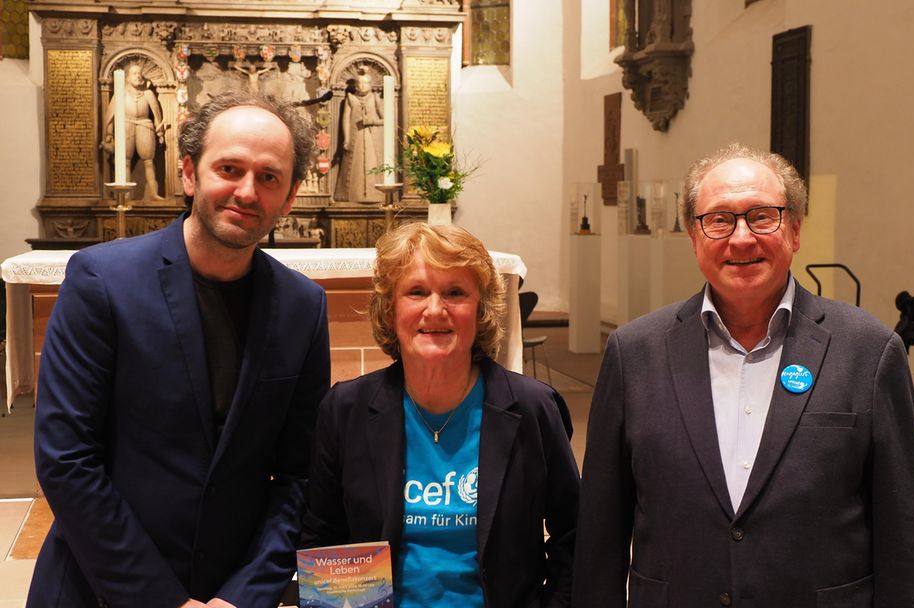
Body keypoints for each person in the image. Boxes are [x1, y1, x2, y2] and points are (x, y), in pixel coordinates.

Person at [573, 143, 914, 607]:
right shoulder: (634, 352)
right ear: (692, 235)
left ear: (796, 230)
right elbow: (601, 530)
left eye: (762, 216)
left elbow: (905, 530)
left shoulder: (868, 349)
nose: (741, 238)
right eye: (719, 219)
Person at [28, 91, 330, 608]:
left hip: (231, 594)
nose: (247, 191)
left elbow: (300, 475)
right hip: (102, 587)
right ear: (189, 174)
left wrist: (245, 594)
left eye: (269, 177)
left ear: (292, 194)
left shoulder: (303, 306)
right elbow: (67, 460)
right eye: (229, 168)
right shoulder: (103, 281)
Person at [301, 222, 579, 607]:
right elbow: (323, 540)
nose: (435, 309)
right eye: (416, 292)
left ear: (480, 308)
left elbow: (575, 534)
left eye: (455, 293)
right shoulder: (344, 410)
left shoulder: (533, 408)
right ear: (390, 308)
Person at [104, 61, 166, 200]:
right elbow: (111, 115)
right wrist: (108, 133)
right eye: (134, 74)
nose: (138, 76)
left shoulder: (148, 94)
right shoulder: (121, 93)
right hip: (126, 124)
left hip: (144, 124)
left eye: (140, 73)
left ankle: (153, 193)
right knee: (124, 160)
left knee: (149, 160)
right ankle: (124, 195)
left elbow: (157, 114)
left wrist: (160, 132)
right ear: (128, 77)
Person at [336, 67, 384, 203]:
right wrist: (346, 138)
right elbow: (345, 119)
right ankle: (353, 195)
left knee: (371, 165)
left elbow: (386, 119)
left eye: (365, 83)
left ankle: (375, 195)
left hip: (371, 139)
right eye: (360, 83)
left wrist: (372, 121)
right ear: (356, 85)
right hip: (354, 139)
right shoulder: (350, 98)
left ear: (370, 84)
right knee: (355, 167)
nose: (362, 86)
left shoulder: (375, 98)